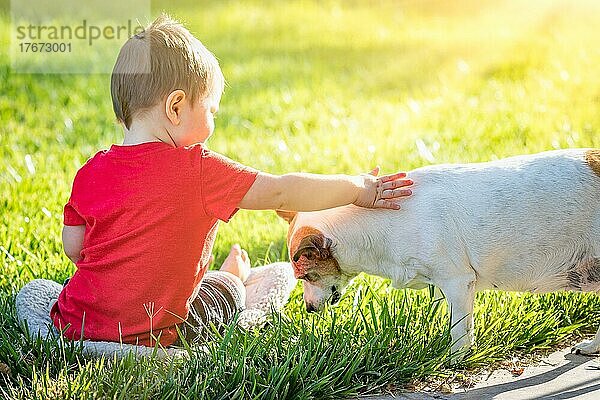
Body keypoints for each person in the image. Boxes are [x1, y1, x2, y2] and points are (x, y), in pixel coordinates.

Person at [49, 14, 413, 347]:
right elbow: (283, 189)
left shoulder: (90, 172)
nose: (213, 125)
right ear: (176, 108)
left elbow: (74, 248)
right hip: (157, 333)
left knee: (54, 290)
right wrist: (358, 189)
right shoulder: (200, 170)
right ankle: (231, 276)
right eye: (211, 112)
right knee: (227, 291)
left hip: (76, 324)